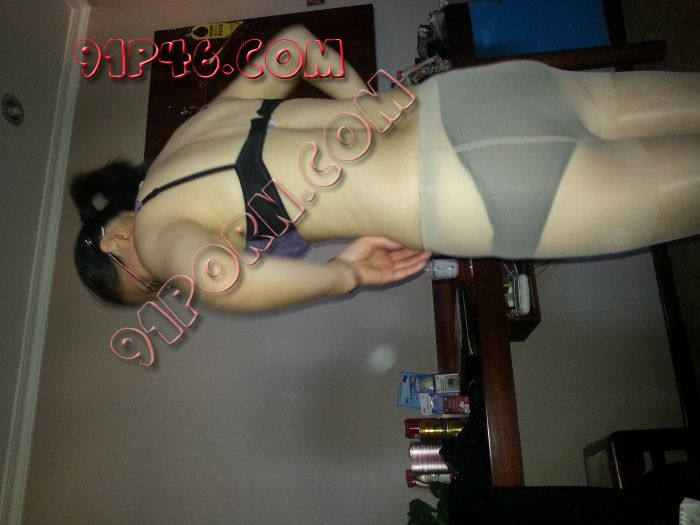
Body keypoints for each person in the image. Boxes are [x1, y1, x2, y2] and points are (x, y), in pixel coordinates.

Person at [72, 24, 700, 311]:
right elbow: (296, 47)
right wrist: (368, 105)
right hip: (462, 101)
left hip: (462, 192)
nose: (164, 283)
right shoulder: (187, 134)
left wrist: (345, 275)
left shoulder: (155, 237)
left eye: (148, 284)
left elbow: (225, 284)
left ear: (115, 241)